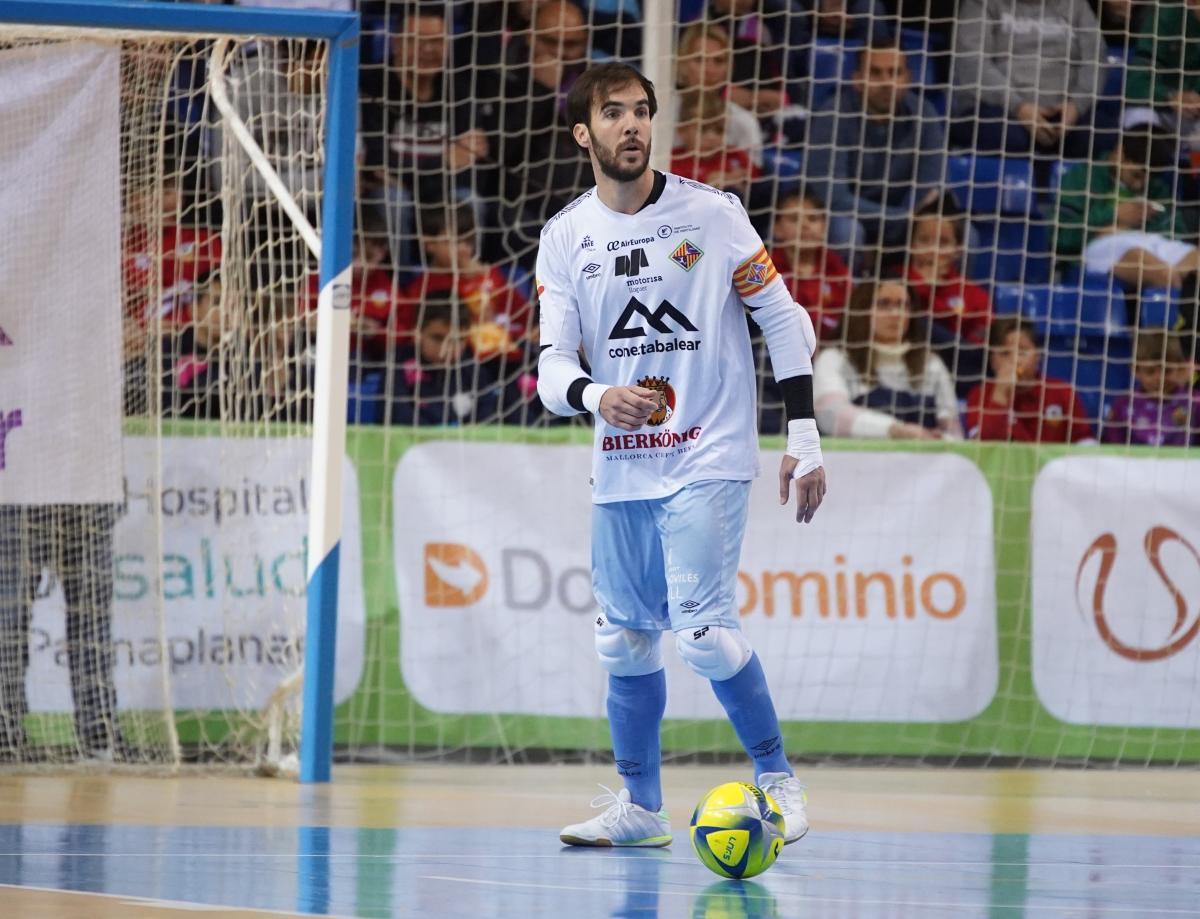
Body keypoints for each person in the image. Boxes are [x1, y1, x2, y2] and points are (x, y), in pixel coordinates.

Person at [536, 61, 825, 847]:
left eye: (641, 111)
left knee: (702, 632)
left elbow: (787, 322)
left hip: (709, 452)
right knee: (623, 639)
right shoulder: (566, 237)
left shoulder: (714, 215)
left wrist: (803, 437)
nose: (631, 125)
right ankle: (641, 807)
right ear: (583, 133)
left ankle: (779, 781)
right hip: (622, 462)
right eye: (613, 113)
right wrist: (598, 395)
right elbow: (551, 369)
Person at [0, 504, 130, 762]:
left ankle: (100, 733)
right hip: (15, 492)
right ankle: (5, 731)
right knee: (7, 617)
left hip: (88, 493)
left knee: (92, 618)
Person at [803, 35, 947, 264]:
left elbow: (928, 190)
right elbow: (834, 197)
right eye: (876, 73)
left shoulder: (925, 113)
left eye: (894, 73)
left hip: (905, 225)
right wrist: (902, 217)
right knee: (846, 232)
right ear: (857, 79)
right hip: (851, 219)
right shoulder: (832, 115)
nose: (886, 82)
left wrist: (909, 219)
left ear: (908, 78)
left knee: (965, 235)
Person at [950, 0, 1107, 161]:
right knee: (1009, 137)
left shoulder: (1077, 5)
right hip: (1000, 110)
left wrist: (1076, 105)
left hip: (1066, 114)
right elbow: (972, 63)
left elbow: (1095, 59)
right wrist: (1018, 106)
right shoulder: (981, 4)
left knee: (1104, 135)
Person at [1055, 127, 1200, 291]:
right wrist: (1113, 215)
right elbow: (1058, 237)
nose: (1140, 185)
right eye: (1136, 175)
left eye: (1147, 178)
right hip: (1104, 245)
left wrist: (1145, 225)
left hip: (1152, 241)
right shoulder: (1081, 177)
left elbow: (1177, 231)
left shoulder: (1157, 187)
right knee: (1164, 275)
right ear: (1119, 154)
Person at [814, 280, 963, 439]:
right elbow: (830, 414)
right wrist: (895, 430)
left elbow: (954, 433)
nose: (895, 313)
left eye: (902, 305)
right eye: (884, 304)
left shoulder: (931, 363)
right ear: (861, 310)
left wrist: (940, 439)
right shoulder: (834, 358)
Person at [904, 196, 992, 392]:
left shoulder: (974, 294)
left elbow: (977, 351)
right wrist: (922, 286)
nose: (933, 250)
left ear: (958, 250)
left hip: (958, 375)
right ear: (911, 245)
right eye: (924, 241)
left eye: (943, 242)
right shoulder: (896, 281)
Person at [964, 317, 1095, 442]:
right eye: (1005, 353)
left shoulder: (1062, 392)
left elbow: (1085, 443)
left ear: (1037, 356)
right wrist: (1000, 394)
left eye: (1022, 351)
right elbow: (982, 449)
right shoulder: (979, 396)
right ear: (992, 362)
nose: (1015, 360)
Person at [388, 298, 501, 426]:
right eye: (438, 338)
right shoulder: (396, 364)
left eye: (458, 340)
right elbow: (398, 415)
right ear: (417, 334)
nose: (446, 349)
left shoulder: (472, 369)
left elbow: (487, 415)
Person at [769, 188, 852, 341]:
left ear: (824, 227)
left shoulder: (838, 271)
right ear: (777, 229)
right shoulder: (767, 270)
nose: (805, 225)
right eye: (794, 219)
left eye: (813, 219)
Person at [1102, 330, 1200, 445]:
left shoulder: (1195, 403)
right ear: (1136, 370)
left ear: (1179, 367)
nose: (1159, 378)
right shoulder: (1123, 405)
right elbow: (1111, 451)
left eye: (1167, 371)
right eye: (1150, 371)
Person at [670, 91, 758, 201]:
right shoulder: (674, 161)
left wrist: (738, 177)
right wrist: (708, 184)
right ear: (682, 131)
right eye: (703, 129)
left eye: (719, 130)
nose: (712, 137)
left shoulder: (733, 155)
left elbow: (755, 177)